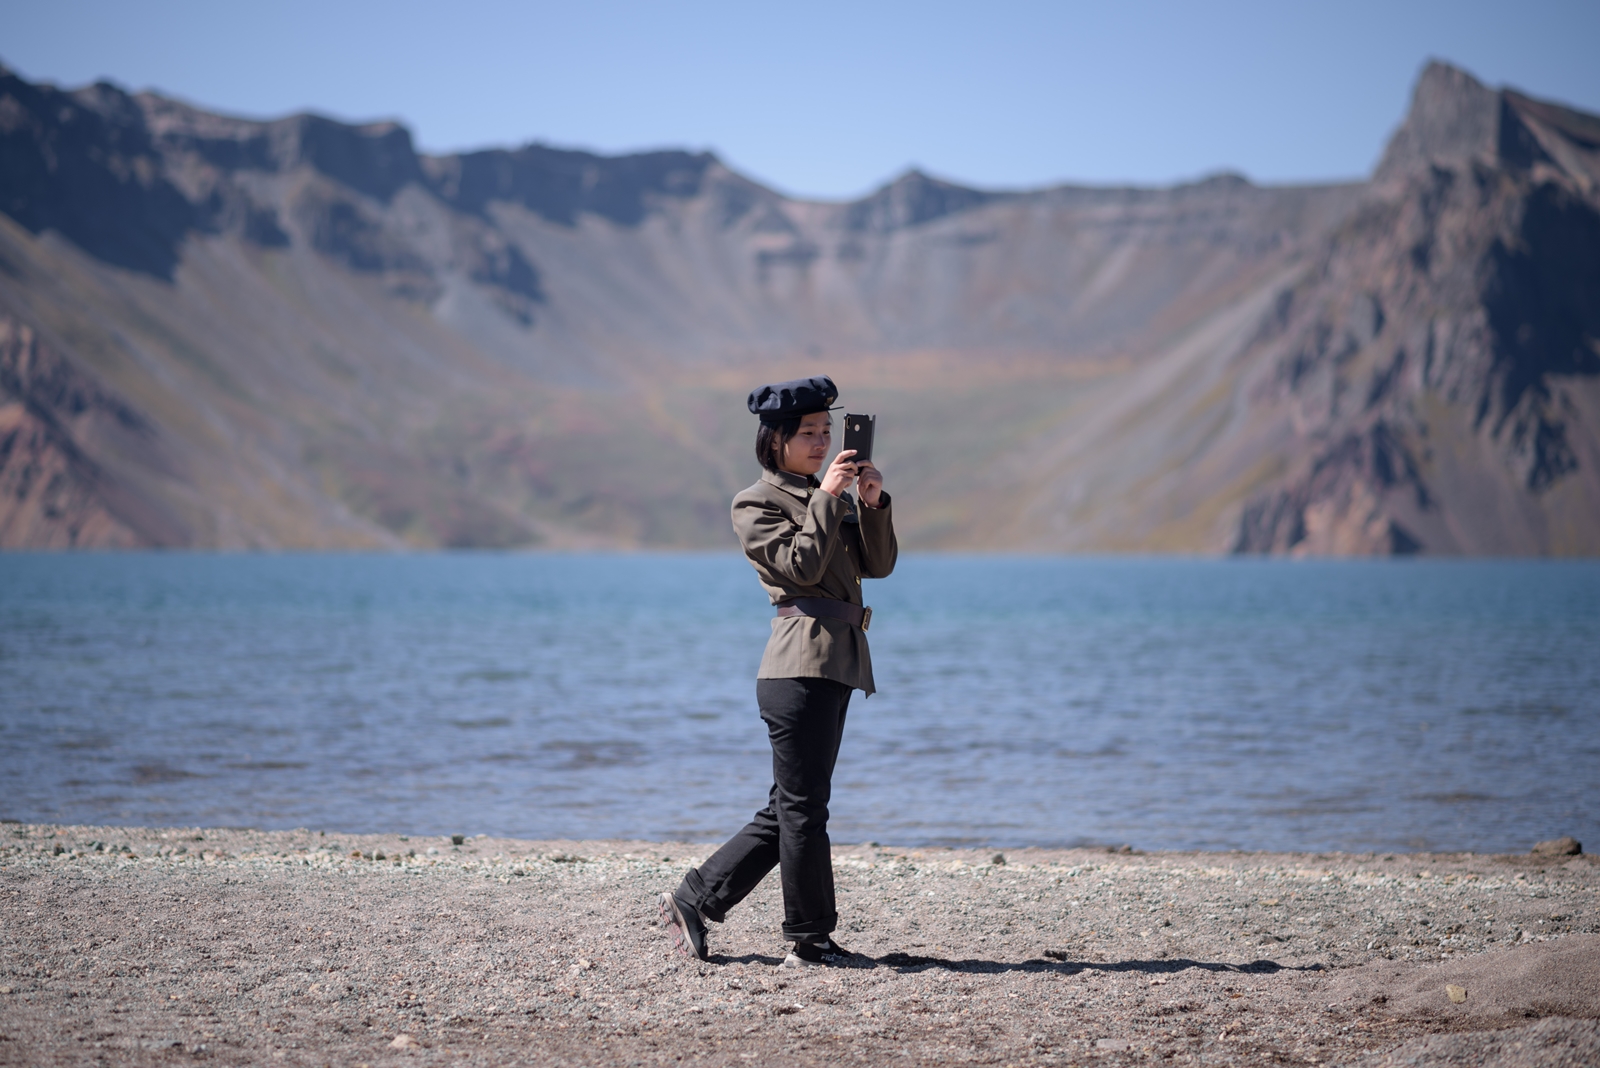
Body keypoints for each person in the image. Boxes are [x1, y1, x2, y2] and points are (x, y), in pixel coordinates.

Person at [660, 374, 897, 968]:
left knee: (794, 804)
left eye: (826, 431)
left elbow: (880, 565)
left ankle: (697, 897)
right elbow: (802, 566)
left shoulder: (831, 495)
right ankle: (809, 939)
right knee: (802, 807)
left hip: (835, 662)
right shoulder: (756, 502)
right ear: (776, 440)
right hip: (797, 666)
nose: (822, 442)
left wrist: (871, 505)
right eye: (809, 434)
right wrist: (827, 499)